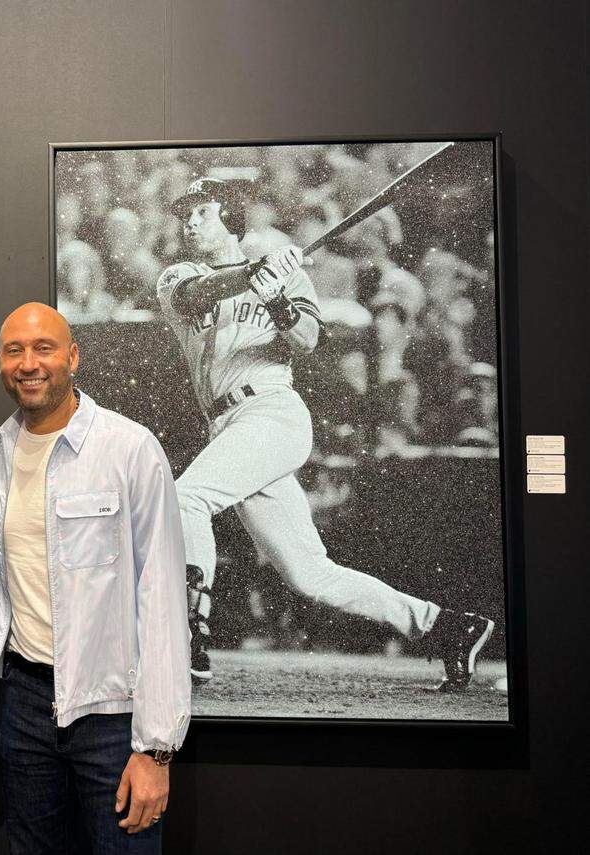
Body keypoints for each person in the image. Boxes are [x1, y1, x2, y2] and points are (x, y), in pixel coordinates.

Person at [157, 176, 495, 692]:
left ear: (230, 216)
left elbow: (307, 339)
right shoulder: (179, 274)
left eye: (201, 211)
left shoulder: (285, 276)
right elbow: (195, 297)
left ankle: (189, 631)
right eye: (186, 214)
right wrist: (254, 274)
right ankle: (445, 626)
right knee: (311, 574)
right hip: (226, 423)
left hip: (271, 413)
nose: (190, 221)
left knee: (184, 499)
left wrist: (278, 301)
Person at [0, 303, 190, 854]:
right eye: (15, 350)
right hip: (22, 704)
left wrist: (156, 749)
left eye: (43, 348)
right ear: (0, 361)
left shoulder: (130, 450)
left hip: (113, 717)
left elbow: (162, 599)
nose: (29, 363)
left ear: (73, 356)